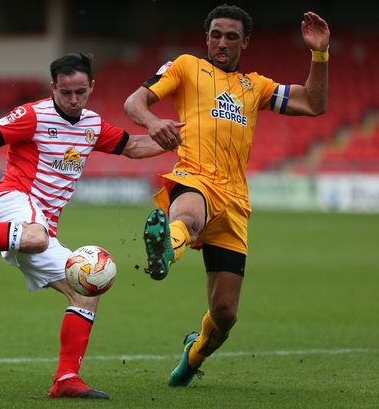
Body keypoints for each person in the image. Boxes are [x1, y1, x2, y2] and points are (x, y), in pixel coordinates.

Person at [0, 53, 167, 399]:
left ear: (91, 87)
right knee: (35, 236)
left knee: (85, 288)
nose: (73, 100)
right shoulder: (34, 115)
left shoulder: (92, 125)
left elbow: (132, 146)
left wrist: (183, 142)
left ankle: (66, 379)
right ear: (53, 88)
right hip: (10, 202)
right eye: (66, 93)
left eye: (80, 92)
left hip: (40, 228)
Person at [124, 5, 329, 386]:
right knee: (187, 217)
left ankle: (193, 353)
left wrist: (319, 54)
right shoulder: (186, 67)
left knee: (225, 314)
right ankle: (164, 251)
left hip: (235, 202)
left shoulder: (256, 87)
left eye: (231, 36)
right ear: (206, 37)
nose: (222, 42)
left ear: (244, 42)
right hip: (195, 177)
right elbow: (134, 102)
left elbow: (314, 104)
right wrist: (153, 122)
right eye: (216, 34)